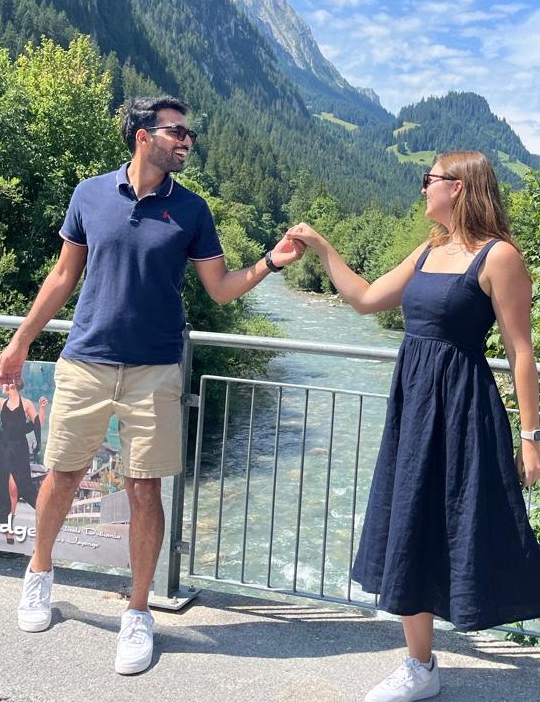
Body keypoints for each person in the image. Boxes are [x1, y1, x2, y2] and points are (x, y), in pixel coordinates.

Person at [0, 96, 303, 676]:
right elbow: (63, 275)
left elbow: (220, 289)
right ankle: (39, 572)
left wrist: (272, 261)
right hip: (85, 361)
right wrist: (19, 342)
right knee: (62, 475)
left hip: (156, 370)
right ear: (143, 135)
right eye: (177, 132)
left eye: (190, 134)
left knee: (144, 491)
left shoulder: (191, 209)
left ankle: (138, 611)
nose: (187, 141)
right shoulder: (90, 194)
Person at [288, 150, 540, 702]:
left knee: (477, 523)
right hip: (414, 406)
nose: (423, 187)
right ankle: (420, 665)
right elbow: (365, 300)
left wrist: (531, 438)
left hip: (464, 407)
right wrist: (323, 247)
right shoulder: (430, 249)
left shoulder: (499, 257)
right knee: (409, 521)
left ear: (459, 187)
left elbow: (521, 352)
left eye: (430, 179)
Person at [0, 379, 48, 542]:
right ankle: (8, 529)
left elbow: (38, 424)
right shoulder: (1, 403)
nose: (2, 386)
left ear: (12, 384)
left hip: (19, 449)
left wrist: (42, 409)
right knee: (6, 489)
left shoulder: (26, 404)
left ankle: (43, 514)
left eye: (4, 383)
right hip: (3, 448)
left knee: (17, 488)